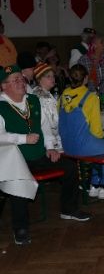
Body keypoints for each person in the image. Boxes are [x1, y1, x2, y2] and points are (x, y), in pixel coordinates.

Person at [0, 65, 91, 245]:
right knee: (18, 181)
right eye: (14, 80)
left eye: (21, 78)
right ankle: (20, 228)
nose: (20, 82)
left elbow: (44, 127)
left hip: (39, 155)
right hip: (15, 160)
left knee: (70, 167)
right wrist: (23, 138)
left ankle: (68, 209)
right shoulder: (1, 106)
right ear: (4, 86)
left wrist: (50, 147)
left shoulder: (33, 100)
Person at [58, 64, 104, 200]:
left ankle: (94, 186)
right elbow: (96, 131)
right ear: (86, 78)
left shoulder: (63, 95)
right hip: (82, 146)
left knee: (99, 148)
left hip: (66, 146)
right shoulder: (90, 97)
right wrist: (102, 139)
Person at [32, 62, 62, 152]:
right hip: (49, 142)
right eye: (48, 76)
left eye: (53, 76)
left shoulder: (43, 92)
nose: (52, 78)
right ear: (39, 79)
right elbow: (52, 122)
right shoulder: (43, 97)